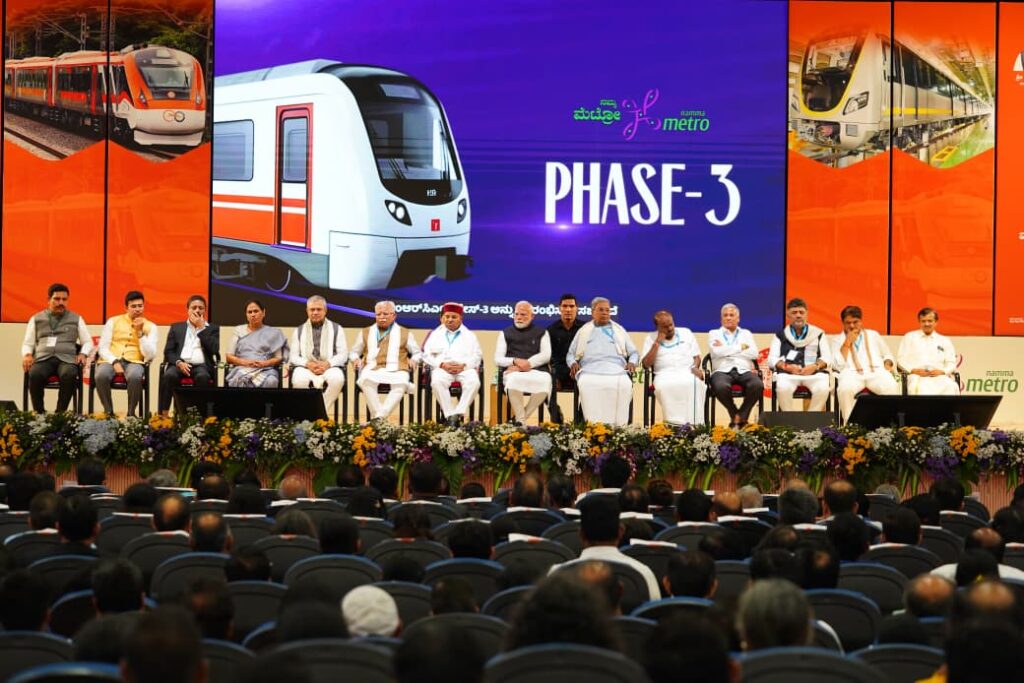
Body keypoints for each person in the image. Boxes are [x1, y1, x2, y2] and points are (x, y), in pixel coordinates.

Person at [22, 283, 93, 413]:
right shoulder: (36, 319)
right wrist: (27, 354)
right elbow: (28, 343)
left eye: (64, 299)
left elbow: (88, 341)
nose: (61, 302)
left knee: (69, 374)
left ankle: (60, 414)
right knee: (35, 374)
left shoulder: (76, 319)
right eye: (57, 299)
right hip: (43, 359)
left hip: (67, 360)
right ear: (49, 300)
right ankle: (39, 413)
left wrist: (83, 353)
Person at [567, 296, 637, 426]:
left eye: (607, 310)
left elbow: (633, 352)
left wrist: (632, 362)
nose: (605, 313)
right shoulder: (583, 331)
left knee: (625, 384)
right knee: (587, 384)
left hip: (616, 369)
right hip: (589, 370)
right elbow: (570, 354)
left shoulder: (619, 330)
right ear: (592, 312)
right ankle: (593, 427)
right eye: (601, 310)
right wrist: (573, 363)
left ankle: (619, 427)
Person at [349, 300, 422, 420]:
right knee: (365, 380)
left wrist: (414, 360)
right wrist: (355, 359)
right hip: (372, 367)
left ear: (394, 315)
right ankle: (381, 418)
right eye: (378, 314)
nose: (382, 317)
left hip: (397, 368)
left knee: (402, 383)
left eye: (385, 314)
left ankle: (379, 418)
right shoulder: (366, 331)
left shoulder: (404, 332)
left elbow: (417, 353)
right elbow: (354, 352)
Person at [95, 290, 157, 415]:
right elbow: (102, 347)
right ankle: (108, 412)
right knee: (101, 375)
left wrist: (140, 333)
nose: (137, 309)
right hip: (111, 360)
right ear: (126, 308)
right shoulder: (113, 321)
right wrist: (114, 362)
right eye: (133, 306)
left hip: (134, 362)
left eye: (140, 306)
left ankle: (131, 414)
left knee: (135, 376)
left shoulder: (151, 326)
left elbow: (150, 355)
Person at [831, 304, 898, 422]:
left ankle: (888, 425)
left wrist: (887, 364)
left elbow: (887, 354)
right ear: (843, 323)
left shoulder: (873, 335)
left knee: (891, 386)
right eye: (848, 323)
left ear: (861, 321)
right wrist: (847, 342)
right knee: (845, 389)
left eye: (855, 322)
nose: (852, 326)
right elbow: (838, 365)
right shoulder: (837, 339)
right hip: (851, 374)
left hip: (876, 371)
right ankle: (850, 425)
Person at [641, 309, 705, 425]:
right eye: (665, 326)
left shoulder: (686, 333)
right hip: (664, 375)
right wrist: (657, 343)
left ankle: (696, 425)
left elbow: (696, 357)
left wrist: (694, 367)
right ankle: (674, 426)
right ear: (658, 327)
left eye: (671, 324)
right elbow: (646, 364)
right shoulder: (650, 338)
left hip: (687, 372)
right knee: (667, 386)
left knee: (695, 383)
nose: (670, 328)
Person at [766, 297, 831, 411]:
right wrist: (787, 367)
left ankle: (812, 418)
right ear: (788, 315)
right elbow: (771, 359)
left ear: (806, 314)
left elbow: (827, 357)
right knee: (782, 387)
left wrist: (814, 366)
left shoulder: (818, 334)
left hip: (813, 373)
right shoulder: (780, 335)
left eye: (801, 312)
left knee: (823, 388)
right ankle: (788, 419)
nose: (798, 315)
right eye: (794, 312)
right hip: (788, 374)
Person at [423, 302, 483, 426]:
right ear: (442, 318)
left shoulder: (470, 335)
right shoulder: (435, 334)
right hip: (442, 368)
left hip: (464, 369)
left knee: (474, 382)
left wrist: (464, 366)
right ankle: (450, 415)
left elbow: (477, 356)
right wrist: (441, 365)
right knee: (436, 382)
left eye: (454, 317)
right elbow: (426, 355)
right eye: (447, 316)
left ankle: (458, 413)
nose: (450, 319)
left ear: (461, 318)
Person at [159, 295, 219, 415]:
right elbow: (168, 351)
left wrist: (202, 329)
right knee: (169, 375)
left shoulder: (212, 328)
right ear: (188, 310)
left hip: (201, 366)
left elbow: (214, 350)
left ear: (205, 310)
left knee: (203, 377)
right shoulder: (176, 327)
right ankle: (164, 415)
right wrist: (179, 363)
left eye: (200, 308)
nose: (197, 310)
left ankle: (200, 415)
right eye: (194, 307)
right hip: (179, 364)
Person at [288, 295, 348, 414]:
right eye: (312, 309)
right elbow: (293, 356)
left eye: (319, 309)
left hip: (329, 366)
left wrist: (327, 364)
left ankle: (318, 413)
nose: (315, 312)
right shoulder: (299, 330)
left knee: (338, 379)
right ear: (307, 311)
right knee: (298, 380)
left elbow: (343, 354)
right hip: (306, 367)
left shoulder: (337, 329)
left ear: (325, 311)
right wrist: (308, 364)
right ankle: (310, 413)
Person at [495, 301, 552, 424]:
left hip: (536, 370)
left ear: (532, 316)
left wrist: (527, 364)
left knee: (545, 381)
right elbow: (498, 359)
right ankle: (521, 420)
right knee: (513, 380)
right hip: (513, 371)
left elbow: (546, 355)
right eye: (517, 314)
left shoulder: (542, 332)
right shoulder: (505, 333)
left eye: (523, 314)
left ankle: (520, 420)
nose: (519, 317)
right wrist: (514, 361)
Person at [707, 303, 762, 426]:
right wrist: (741, 347)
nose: (728, 318)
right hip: (722, 370)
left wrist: (725, 349)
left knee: (757, 384)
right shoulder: (714, 333)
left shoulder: (746, 334)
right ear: (721, 319)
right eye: (725, 315)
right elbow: (716, 352)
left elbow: (754, 354)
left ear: (738, 318)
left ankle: (740, 416)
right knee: (720, 386)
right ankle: (735, 415)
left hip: (743, 369)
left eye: (731, 315)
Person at [225, 299, 286, 388]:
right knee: (240, 379)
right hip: (242, 367)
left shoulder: (273, 332)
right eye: (249, 312)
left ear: (263, 312)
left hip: (265, 369)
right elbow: (229, 357)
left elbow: (278, 358)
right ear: (246, 315)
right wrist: (245, 362)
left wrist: (264, 363)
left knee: (271, 381)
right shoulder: (238, 330)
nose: (253, 314)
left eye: (256, 311)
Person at [897, 307, 959, 396]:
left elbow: (951, 363)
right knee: (918, 388)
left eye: (930, 321)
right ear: (919, 322)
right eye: (923, 321)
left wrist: (943, 371)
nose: (927, 324)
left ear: (936, 322)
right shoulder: (909, 337)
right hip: (917, 376)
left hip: (939, 376)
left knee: (950, 386)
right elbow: (901, 360)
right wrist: (913, 370)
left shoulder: (944, 340)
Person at [547, 293, 584, 423]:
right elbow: (547, 357)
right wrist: (552, 376)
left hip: (579, 370)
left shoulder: (585, 329)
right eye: (565, 306)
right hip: (558, 371)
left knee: (590, 385)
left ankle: (579, 420)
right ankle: (556, 417)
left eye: (571, 306)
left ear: (577, 308)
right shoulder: (551, 330)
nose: (568, 309)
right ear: (559, 308)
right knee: (545, 383)